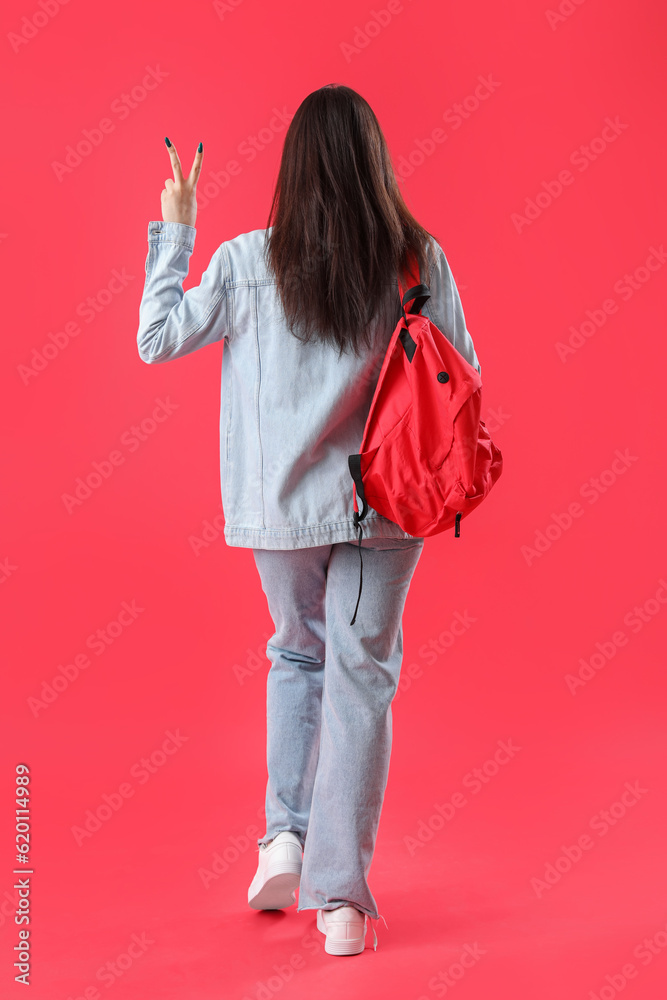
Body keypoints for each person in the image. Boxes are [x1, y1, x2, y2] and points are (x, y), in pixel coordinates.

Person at [136, 83, 481, 956]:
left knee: (297, 654)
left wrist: (178, 223)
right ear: (374, 165)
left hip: (279, 511)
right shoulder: (418, 259)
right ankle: (339, 904)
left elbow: (157, 337)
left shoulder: (246, 259)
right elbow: (464, 373)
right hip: (387, 506)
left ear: (292, 169)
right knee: (362, 680)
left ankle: (281, 838)